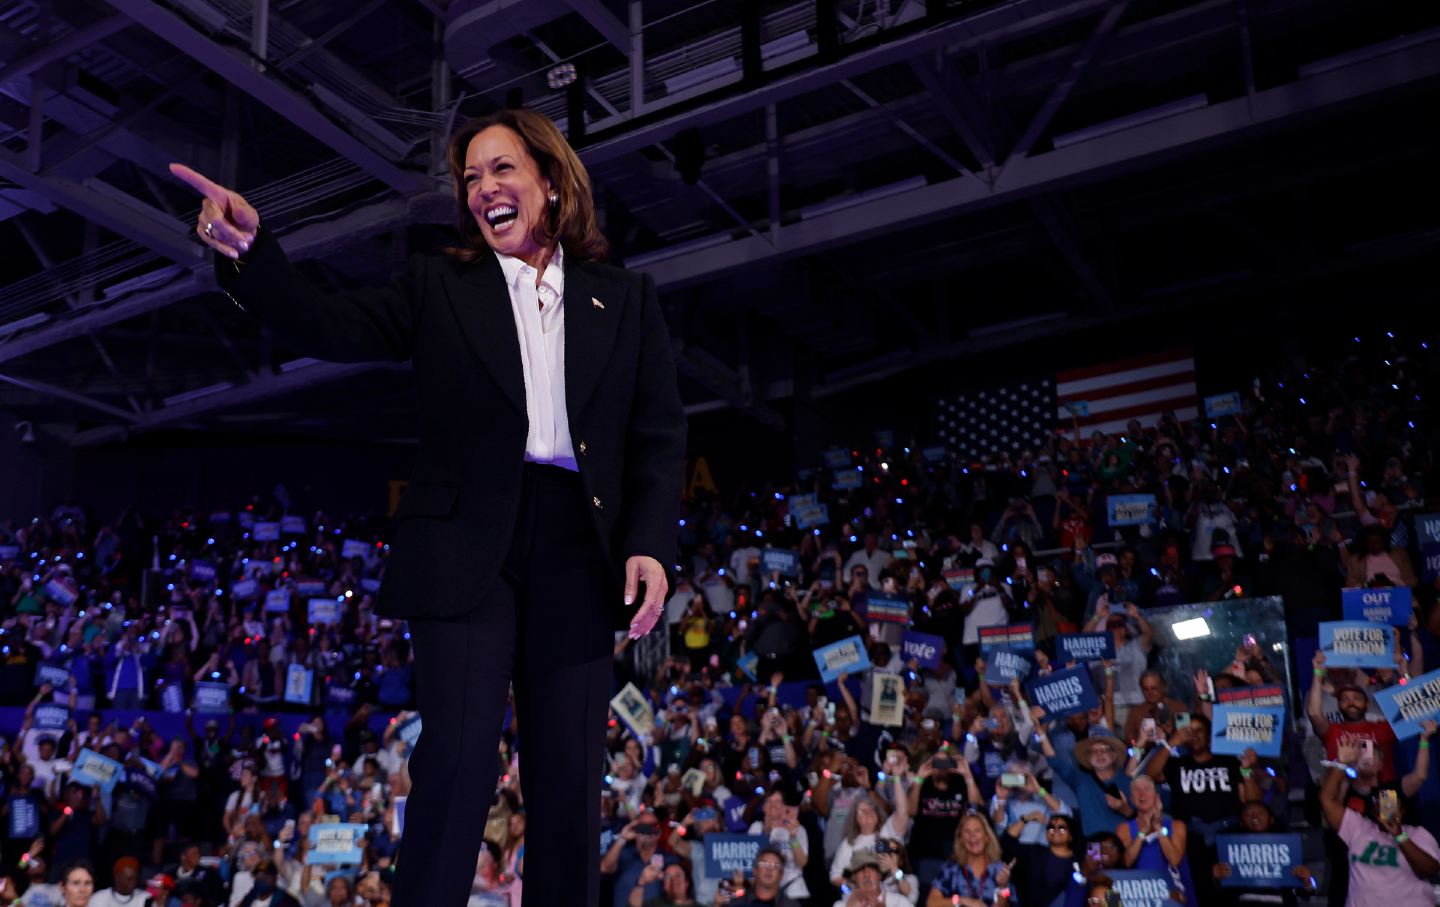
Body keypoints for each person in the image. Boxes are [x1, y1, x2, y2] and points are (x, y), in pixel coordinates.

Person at [171, 104, 687, 907]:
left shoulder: (624, 298)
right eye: (471, 178)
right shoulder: (440, 285)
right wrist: (251, 253)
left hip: (578, 553)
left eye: (502, 169)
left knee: (567, 774)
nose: (484, 189)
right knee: (456, 758)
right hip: (464, 542)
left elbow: (658, 433)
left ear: (549, 184)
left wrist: (650, 541)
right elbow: (328, 322)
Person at [1318, 738, 1440, 907]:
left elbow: (1419, 776)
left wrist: (1398, 833)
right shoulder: (1345, 789)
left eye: (1378, 773)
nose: (1383, 804)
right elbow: (1327, 802)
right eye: (1368, 774)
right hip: (1345, 865)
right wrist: (1342, 764)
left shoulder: (1389, 791)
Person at [1210, 801, 1316, 906]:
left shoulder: (1288, 848)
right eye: (1248, 814)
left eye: (1260, 813)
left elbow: (1306, 892)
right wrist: (1216, 878)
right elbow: (1223, 892)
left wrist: (1307, 881)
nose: (1254, 817)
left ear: (1271, 819)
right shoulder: (1230, 850)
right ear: (1241, 822)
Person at [1115, 775, 1195, 907]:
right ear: (1131, 799)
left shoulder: (1176, 826)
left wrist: (1159, 828)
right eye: (1137, 790)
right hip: (1141, 897)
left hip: (1174, 895)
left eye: (1147, 789)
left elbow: (1174, 859)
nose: (1142, 793)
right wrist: (1142, 833)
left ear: (1157, 796)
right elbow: (1125, 863)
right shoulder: (1124, 829)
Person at [926, 813, 1013, 907]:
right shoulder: (951, 868)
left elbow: (1005, 904)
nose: (972, 836)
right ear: (961, 839)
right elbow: (931, 903)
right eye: (967, 831)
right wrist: (961, 901)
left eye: (977, 830)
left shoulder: (1000, 868)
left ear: (987, 836)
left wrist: (1003, 887)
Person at [1001, 813, 1083, 907]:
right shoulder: (1034, 852)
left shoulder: (1079, 862)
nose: (1055, 830)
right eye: (1051, 827)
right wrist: (1026, 819)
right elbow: (1006, 843)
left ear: (1070, 836)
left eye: (1061, 828)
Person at [833, 852, 909, 907]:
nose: (866, 874)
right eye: (861, 869)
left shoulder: (899, 902)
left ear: (879, 874)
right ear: (853, 876)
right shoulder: (841, 905)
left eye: (872, 869)